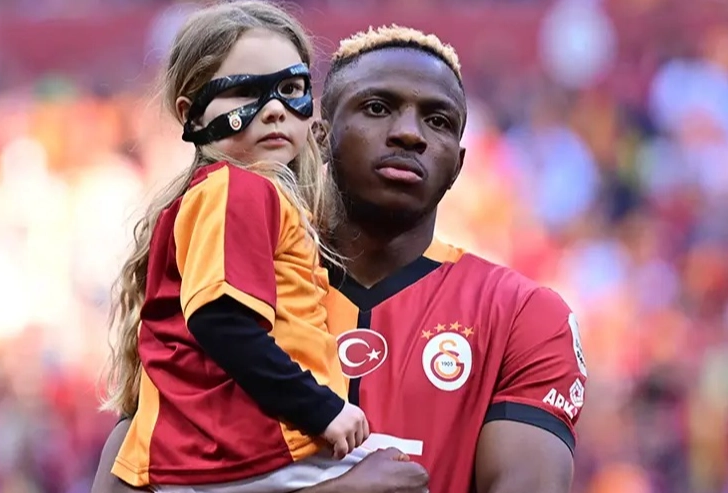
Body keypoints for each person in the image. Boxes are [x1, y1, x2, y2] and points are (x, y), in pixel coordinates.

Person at [93, 22, 587, 493]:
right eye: (377, 108)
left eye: (437, 121)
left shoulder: (524, 316)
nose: (409, 133)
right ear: (320, 134)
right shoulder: (226, 268)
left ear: (458, 164)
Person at [99, 2, 377, 492]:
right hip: (244, 451)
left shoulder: (231, 193)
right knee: (404, 474)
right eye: (246, 91)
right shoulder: (235, 190)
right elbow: (221, 321)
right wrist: (321, 409)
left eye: (290, 88)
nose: (274, 109)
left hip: (227, 454)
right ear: (190, 113)